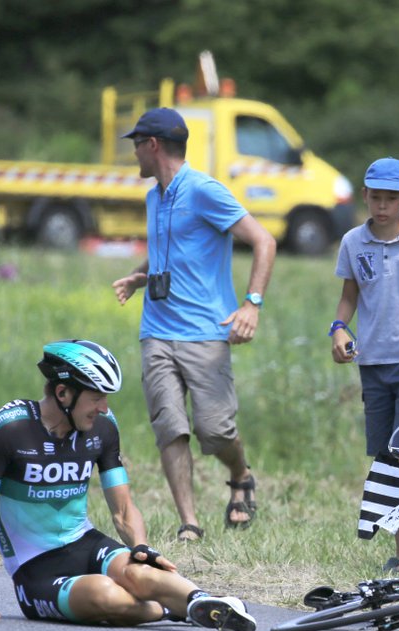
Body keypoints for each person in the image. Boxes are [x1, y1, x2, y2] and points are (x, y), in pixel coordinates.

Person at [0, 340, 257, 631]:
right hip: (35, 569)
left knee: (138, 573)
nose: (104, 407)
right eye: (96, 397)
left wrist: (140, 546)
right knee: (105, 594)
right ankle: (174, 610)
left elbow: (123, 509)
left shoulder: (104, 427)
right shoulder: (9, 430)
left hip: (83, 542)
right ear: (63, 393)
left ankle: (204, 603)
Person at [111, 108, 276, 542]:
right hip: (157, 330)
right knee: (170, 425)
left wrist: (251, 305)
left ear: (153, 145)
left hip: (205, 330)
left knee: (214, 430)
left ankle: (241, 475)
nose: (133, 154)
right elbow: (171, 250)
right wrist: (141, 275)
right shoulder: (154, 197)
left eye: (136, 145)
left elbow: (264, 240)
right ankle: (190, 522)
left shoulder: (204, 191)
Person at [330, 157, 399, 570]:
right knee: (383, 456)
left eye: (390, 199)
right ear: (365, 196)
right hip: (374, 361)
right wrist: (339, 329)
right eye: (375, 197)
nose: (382, 206)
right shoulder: (352, 242)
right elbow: (349, 294)